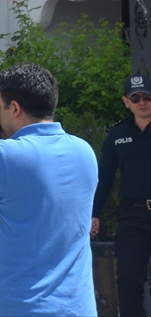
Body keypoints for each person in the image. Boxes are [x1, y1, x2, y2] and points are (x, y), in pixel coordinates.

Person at [0, 63, 97, 316]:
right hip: (78, 307)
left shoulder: (5, 156)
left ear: (14, 108)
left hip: (19, 308)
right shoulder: (84, 151)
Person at [92, 74, 151, 317]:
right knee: (128, 280)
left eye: (147, 96)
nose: (142, 102)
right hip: (132, 218)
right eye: (135, 97)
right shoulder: (117, 135)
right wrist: (93, 213)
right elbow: (104, 178)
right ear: (126, 101)